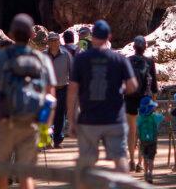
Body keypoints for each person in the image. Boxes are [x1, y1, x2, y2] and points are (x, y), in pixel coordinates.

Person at [0, 13, 57, 189]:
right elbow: (50, 97)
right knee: (26, 176)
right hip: (30, 124)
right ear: (32, 35)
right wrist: (45, 128)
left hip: (4, 123)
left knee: (1, 176)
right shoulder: (42, 59)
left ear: (11, 34)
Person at [68, 19, 138, 173]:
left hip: (88, 120)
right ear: (109, 37)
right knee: (120, 158)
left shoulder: (80, 60)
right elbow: (133, 85)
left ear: (92, 37)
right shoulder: (119, 59)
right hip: (114, 118)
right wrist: (121, 89)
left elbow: (72, 91)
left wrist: (72, 121)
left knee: (86, 163)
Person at [127, 35, 159, 170]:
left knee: (132, 130)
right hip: (145, 99)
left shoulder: (127, 61)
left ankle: (132, 160)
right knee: (143, 130)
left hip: (130, 98)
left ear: (134, 47)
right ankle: (141, 161)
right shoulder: (150, 62)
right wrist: (154, 101)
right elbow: (154, 86)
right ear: (145, 47)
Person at [47, 32, 73, 148]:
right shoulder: (43, 55)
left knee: (60, 115)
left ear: (59, 41)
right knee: (47, 115)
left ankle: (57, 140)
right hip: (47, 90)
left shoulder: (66, 55)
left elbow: (72, 71)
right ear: (48, 42)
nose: (53, 42)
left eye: (55, 40)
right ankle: (47, 139)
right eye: (51, 40)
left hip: (62, 89)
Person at [136, 96, 164, 184]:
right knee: (151, 159)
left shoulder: (139, 118)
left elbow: (137, 131)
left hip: (143, 141)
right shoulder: (155, 117)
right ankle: (150, 173)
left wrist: (135, 141)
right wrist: (167, 110)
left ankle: (145, 173)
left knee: (145, 158)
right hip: (153, 141)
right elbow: (165, 118)